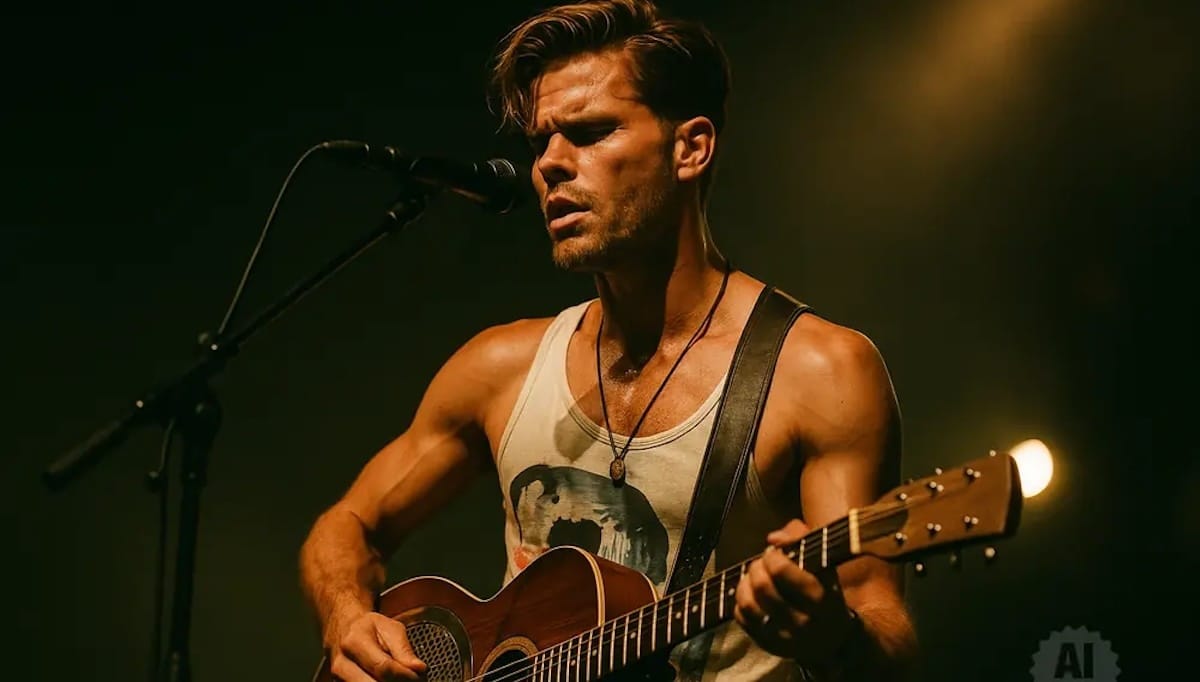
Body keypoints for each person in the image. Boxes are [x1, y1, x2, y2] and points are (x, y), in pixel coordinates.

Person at [298, 0, 918, 679]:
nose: (550, 165)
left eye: (590, 133)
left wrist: (831, 637)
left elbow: (886, 632)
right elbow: (348, 525)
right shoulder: (501, 367)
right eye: (540, 142)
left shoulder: (819, 372)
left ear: (691, 148)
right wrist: (346, 617)